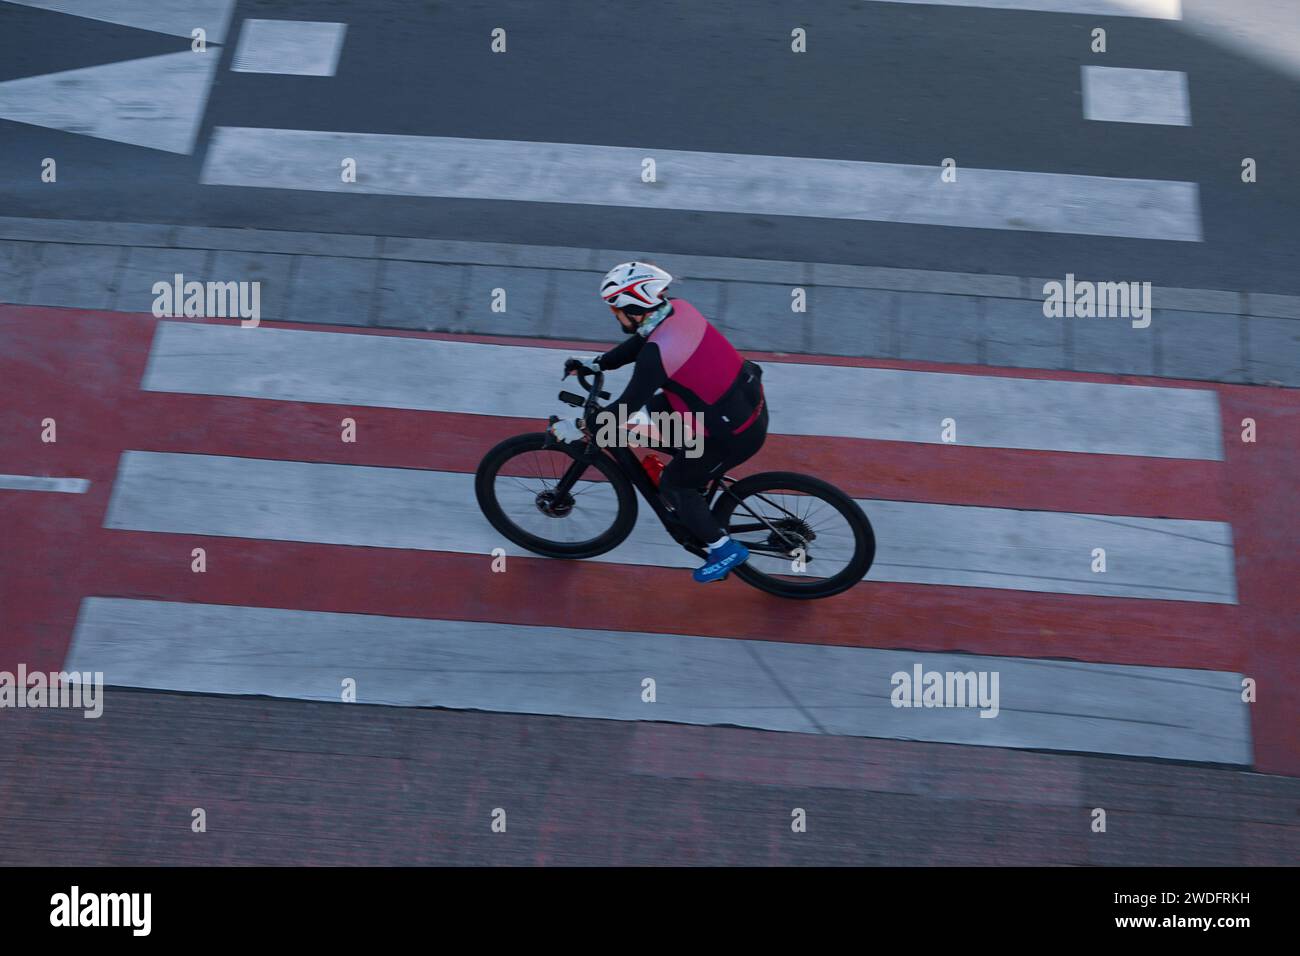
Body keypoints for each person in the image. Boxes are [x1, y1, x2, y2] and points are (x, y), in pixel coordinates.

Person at [549, 262, 768, 583]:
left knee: (674, 484)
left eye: (615, 310)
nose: (614, 316)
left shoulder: (658, 355)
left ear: (633, 307)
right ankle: (694, 476)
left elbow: (624, 407)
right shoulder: (678, 310)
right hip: (741, 405)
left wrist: (578, 428)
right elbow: (640, 341)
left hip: (731, 434)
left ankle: (723, 549)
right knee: (651, 413)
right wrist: (598, 364)